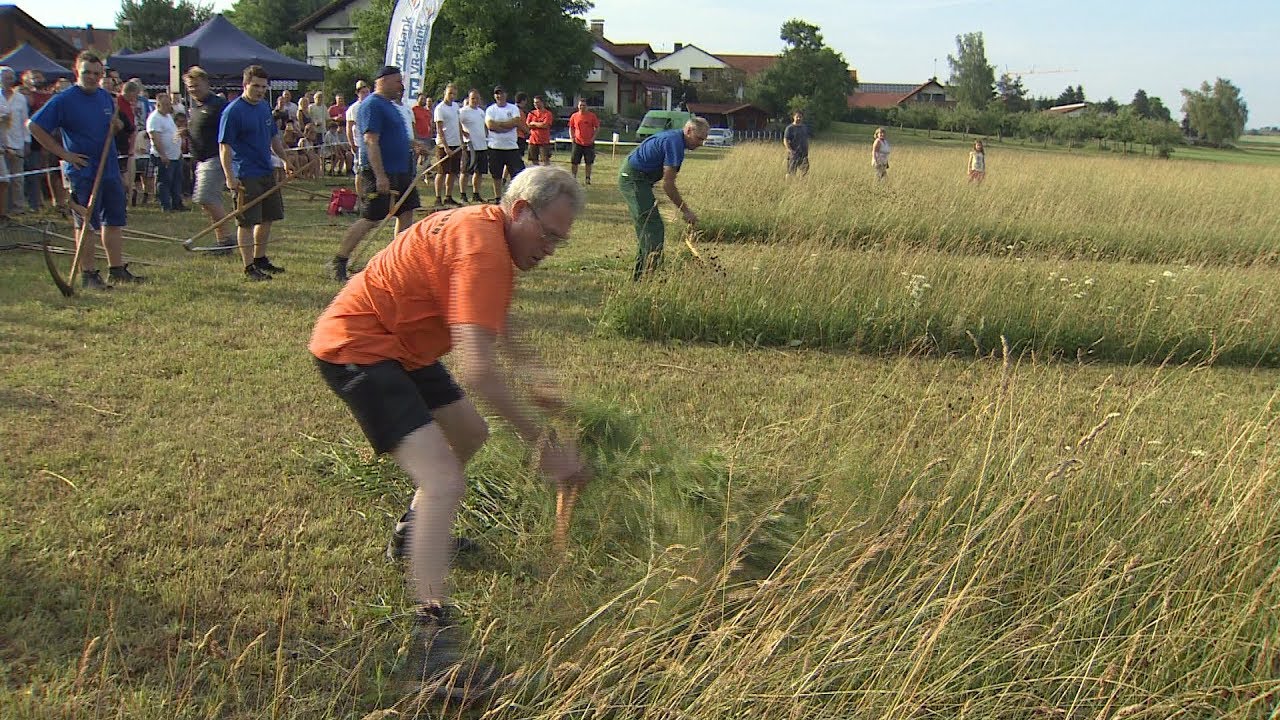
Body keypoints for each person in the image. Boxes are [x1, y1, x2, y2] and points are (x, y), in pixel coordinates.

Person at [309, 164, 586, 701]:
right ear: (520, 210)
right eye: (548, 234)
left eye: (561, 240)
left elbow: (496, 320)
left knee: (470, 433)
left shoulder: (490, 232)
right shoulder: (483, 248)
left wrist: (533, 377)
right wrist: (544, 448)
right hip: (359, 346)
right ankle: (432, 654)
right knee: (443, 481)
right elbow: (477, 369)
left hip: (404, 347)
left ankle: (412, 536)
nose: (551, 247)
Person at [29, 50, 145, 290]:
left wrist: (117, 125)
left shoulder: (105, 98)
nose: (91, 77)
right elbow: (34, 126)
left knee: (113, 220)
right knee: (86, 223)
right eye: (86, 73)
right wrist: (64, 154)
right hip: (83, 171)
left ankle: (116, 269)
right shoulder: (64, 100)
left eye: (95, 73)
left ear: (101, 74)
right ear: (76, 72)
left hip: (109, 168)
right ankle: (89, 274)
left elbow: (120, 126)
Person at [330, 66, 421, 283]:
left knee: (406, 212)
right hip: (380, 171)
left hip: (401, 170)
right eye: (398, 81)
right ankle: (339, 261)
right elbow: (371, 141)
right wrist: (380, 176)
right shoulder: (372, 105)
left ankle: (398, 262)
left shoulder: (391, 106)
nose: (402, 86)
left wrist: (412, 143)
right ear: (384, 80)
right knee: (370, 218)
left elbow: (392, 137)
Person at [219, 64, 296, 281]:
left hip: (266, 170)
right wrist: (230, 178)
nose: (260, 90)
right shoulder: (233, 111)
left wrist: (285, 160)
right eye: (255, 86)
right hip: (245, 173)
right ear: (245, 85)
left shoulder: (263, 107)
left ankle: (260, 258)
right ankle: (248, 266)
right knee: (246, 221)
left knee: (267, 217)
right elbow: (225, 147)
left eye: (263, 86)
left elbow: (273, 138)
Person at [618, 116, 708, 280]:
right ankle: (647, 277)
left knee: (649, 226)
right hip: (633, 178)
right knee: (652, 226)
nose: (701, 143)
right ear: (688, 131)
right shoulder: (674, 143)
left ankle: (642, 276)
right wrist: (686, 211)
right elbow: (668, 185)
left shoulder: (676, 140)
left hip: (641, 180)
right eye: (699, 138)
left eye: (704, 140)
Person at [184, 66, 235, 253]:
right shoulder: (195, 107)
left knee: (205, 197)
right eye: (189, 87)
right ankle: (222, 239)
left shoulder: (218, 105)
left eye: (196, 86)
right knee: (207, 201)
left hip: (215, 157)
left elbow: (229, 130)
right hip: (200, 159)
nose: (193, 90)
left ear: (206, 83)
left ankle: (226, 240)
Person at [484, 85, 525, 202]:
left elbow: (516, 122)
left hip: (511, 147)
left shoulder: (513, 108)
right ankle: (498, 198)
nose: (499, 96)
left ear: (506, 95)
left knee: (517, 175)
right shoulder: (490, 109)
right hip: (495, 146)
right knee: (496, 175)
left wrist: (499, 124)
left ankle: (515, 198)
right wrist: (507, 125)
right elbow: (490, 126)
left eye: (501, 93)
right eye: (497, 93)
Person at [146, 91, 185, 212]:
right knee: (164, 182)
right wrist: (162, 155)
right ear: (158, 105)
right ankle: (166, 205)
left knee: (176, 181)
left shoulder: (168, 116)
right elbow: (155, 138)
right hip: (163, 156)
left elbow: (172, 133)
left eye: (169, 104)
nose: (169, 107)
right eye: (166, 104)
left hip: (175, 155)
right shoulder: (154, 118)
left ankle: (177, 204)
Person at [0, 66, 29, 217]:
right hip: (1, 145)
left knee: (18, 178)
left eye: (10, 78)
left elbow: (25, 121)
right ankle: (3, 209)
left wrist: (27, 141)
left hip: (17, 142)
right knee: (2, 181)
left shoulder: (21, 98)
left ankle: (18, 207)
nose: (8, 80)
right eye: (5, 78)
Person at [432, 82, 464, 207]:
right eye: (450, 93)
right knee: (441, 172)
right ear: (445, 93)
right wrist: (445, 147)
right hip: (444, 144)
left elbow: (458, 124)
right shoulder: (440, 108)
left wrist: (462, 142)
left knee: (453, 172)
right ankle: (438, 197)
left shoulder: (456, 107)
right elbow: (439, 129)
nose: (452, 96)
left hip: (456, 144)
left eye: (454, 94)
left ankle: (448, 196)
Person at [458, 88, 490, 203]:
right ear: (469, 99)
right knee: (466, 171)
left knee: (479, 172)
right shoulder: (463, 111)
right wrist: (462, 133)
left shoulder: (481, 112)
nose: (475, 100)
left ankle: (476, 194)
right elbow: (456, 125)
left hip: (482, 145)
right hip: (470, 146)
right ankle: (463, 195)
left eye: (477, 98)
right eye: (473, 98)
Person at [346, 81, 371, 201]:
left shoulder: (372, 106)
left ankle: (371, 194)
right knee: (360, 171)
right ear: (357, 93)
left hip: (372, 144)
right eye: (362, 92)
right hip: (360, 144)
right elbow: (349, 128)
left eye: (367, 91)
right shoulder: (354, 108)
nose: (365, 94)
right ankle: (361, 197)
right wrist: (351, 143)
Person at [567, 98, 599, 185]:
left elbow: (597, 127)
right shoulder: (574, 116)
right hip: (577, 142)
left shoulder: (592, 116)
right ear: (578, 106)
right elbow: (571, 127)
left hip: (589, 143)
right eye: (580, 105)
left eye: (584, 105)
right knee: (574, 162)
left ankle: (587, 178)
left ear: (587, 106)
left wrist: (593, 138)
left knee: (588, 162)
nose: (582, 107)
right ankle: (573, 178)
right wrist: (572, 137)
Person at [525, 95, 553, 166]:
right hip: (533, 140)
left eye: (537, 102)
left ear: (542, 102)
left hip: (544, 141)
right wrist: (539, 124)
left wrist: (534, 123)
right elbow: (527, 125)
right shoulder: (531, 113)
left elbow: (545, 125)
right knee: (534, 160)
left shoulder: (548, 114)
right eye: (534, 103)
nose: (535, 104)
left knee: (545, 160)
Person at [783, 109, 810, 177]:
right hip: (794, 153)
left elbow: (805, 139)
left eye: (800, 117)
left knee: (805, 170)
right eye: (797, 117)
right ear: (793, 117)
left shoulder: (804, 127)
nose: (798, 118)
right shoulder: (789, 128)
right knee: (791, 172)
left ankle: (801, 185)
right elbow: (785, 140)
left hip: (803, 154)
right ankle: (789, 185)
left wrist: (807, 148)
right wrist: (790, 150)